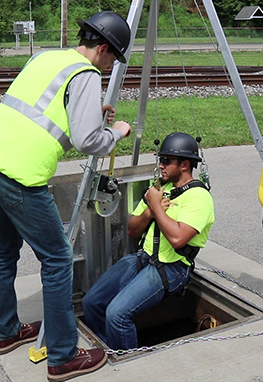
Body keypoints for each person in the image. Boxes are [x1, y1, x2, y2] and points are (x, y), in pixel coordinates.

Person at [0, 11, 132, 382]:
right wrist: (117, 132)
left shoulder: (46, 56)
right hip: (18, 176)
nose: (109, 68)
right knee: (58, 261)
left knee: (3, 252)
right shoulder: (87, 73)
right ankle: (62, 356)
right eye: (113, 60)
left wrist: (91, 113)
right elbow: (87, 140)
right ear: (104, 49)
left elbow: (43, 110)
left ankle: (5, 332)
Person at [82, 132, 215, 350]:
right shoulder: (161, 189)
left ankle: (128, 360)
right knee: (91, 302)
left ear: (184, 165)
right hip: (144, 258)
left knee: (117, 314)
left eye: (166, 160)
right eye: (159, 159)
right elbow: (132, 230)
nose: (160, 165)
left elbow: (177, 239)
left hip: (172, 268)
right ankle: (108, 347)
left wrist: (154, 206)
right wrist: (150, 213)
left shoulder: (199, 198)